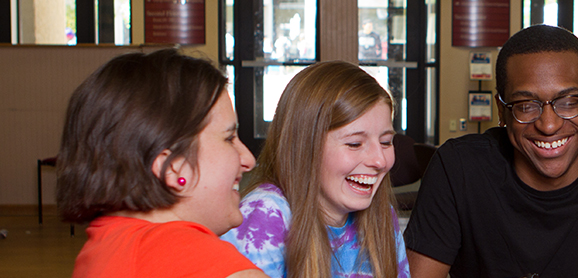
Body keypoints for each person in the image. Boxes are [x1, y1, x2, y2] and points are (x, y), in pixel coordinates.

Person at [403, 24, 578, 278]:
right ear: (502, 110)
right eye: (525, 105)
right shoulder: (458, 167)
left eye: (568, 102)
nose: (549, 124)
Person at [57, 49, 266, 277]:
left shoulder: (104, 247)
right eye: (228, 138)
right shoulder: (196, 259)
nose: (248, 160)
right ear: (174, 167)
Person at [221, 61, 409, 278]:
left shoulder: (383, 214)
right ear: (304, 146)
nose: (379, 161)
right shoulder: (265, 213)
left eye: (386, 142)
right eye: (355, 144)